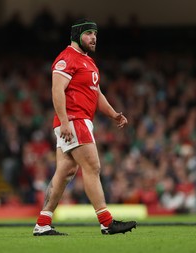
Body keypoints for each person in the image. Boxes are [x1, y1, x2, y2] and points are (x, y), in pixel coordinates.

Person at [33, 18, 137, 236]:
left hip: (76, 120)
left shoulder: (88, 62)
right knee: (93, 167)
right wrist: (65, 121)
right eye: (89, 33)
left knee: (65, 172)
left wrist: (113, 114)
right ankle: (107, 222)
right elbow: (56, 90)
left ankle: (43, 223)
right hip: (74, 119)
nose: (94, 38)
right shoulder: (66, 58)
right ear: (77, 35)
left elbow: (96, 93)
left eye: (95, 34)